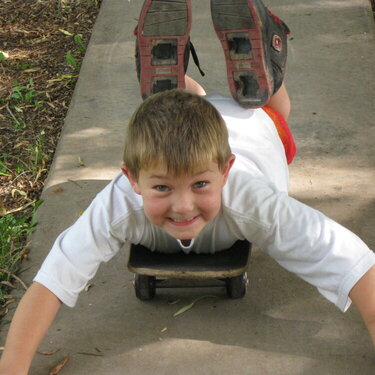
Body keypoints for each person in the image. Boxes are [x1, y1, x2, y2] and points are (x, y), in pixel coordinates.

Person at [0, 0, 374, 373]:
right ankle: (191, 86)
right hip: (220, 130)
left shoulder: (251, 197)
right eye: (162, 188)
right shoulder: (121, 198)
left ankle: (251, 73)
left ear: (227, 172)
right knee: (251, 110)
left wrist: (13, 365)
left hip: (253, 124)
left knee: (276, 113)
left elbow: (353, 264)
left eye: (199, 185)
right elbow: (51, 283)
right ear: (131, 179)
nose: (182, 206)